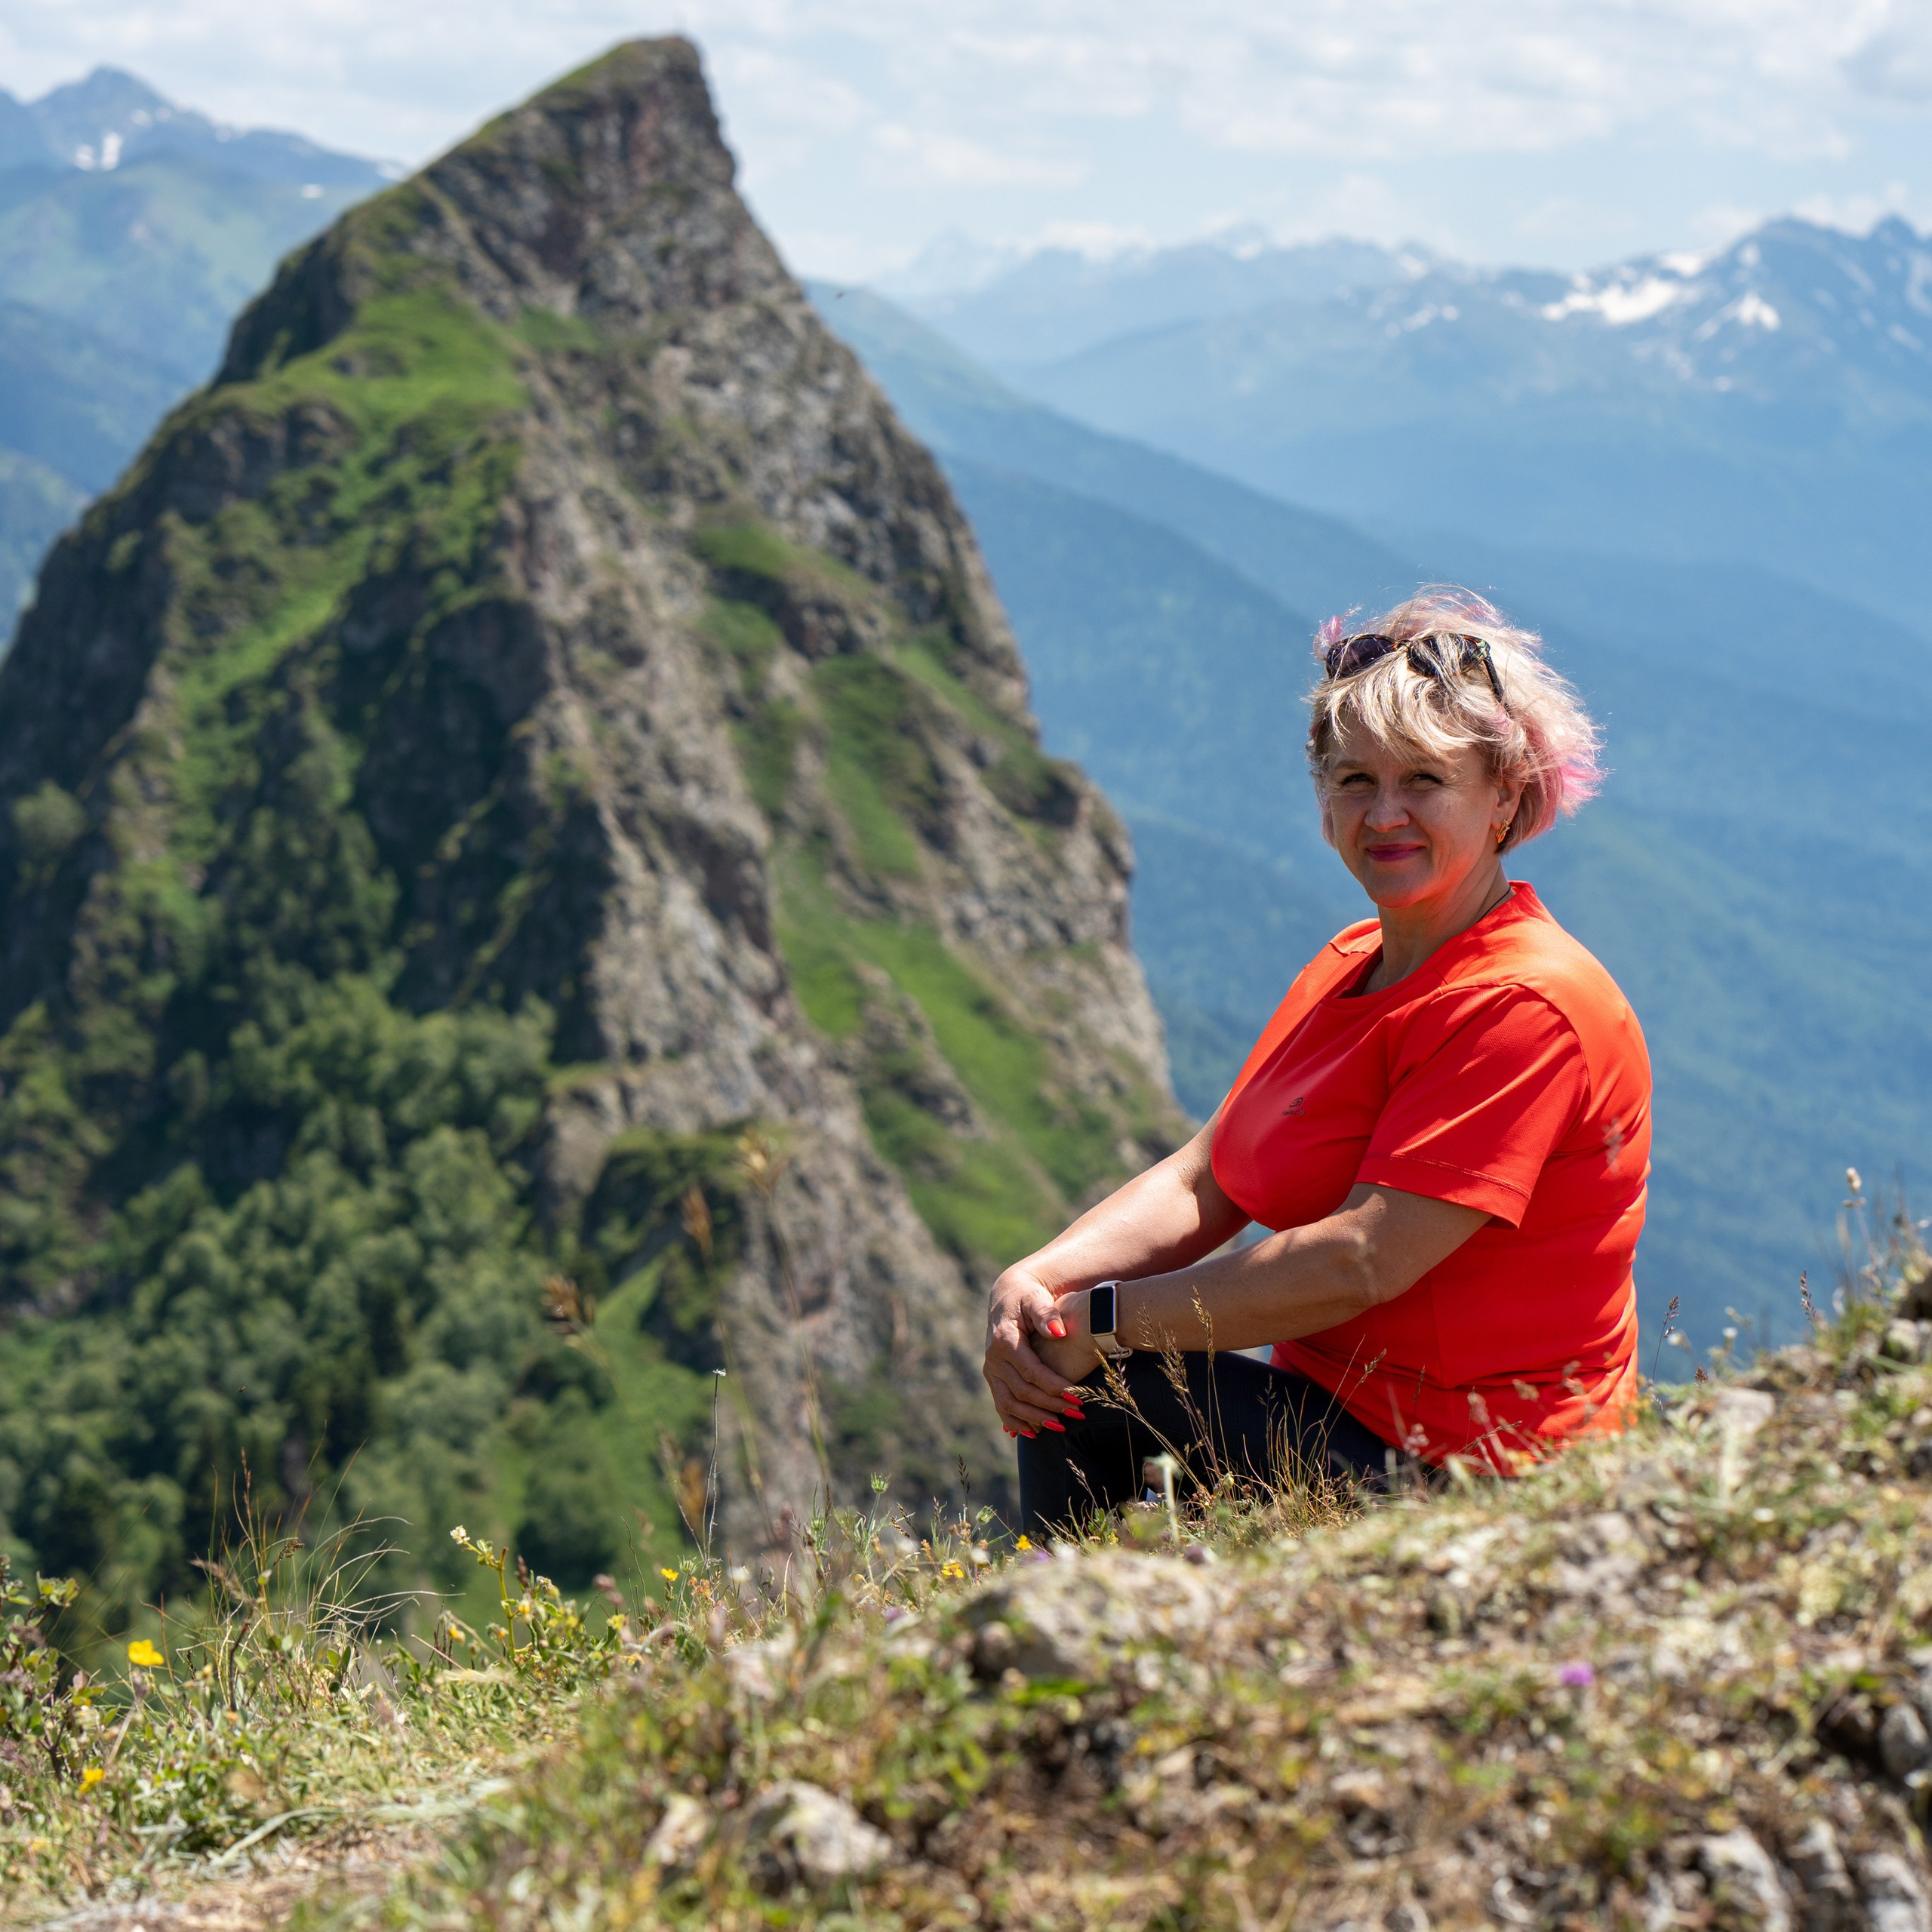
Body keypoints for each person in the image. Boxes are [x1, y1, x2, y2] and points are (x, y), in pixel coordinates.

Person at [983, 587, 1651, 1539]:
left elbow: (1361, 1260)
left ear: (1504, 793)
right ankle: (1080, 1637)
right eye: (1352, 781)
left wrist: (1099, 1322)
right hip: (1342, 1418)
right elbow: (1210, 1174)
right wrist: (1043, 1281)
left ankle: (1055, 1649)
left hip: (1483, 1471)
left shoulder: (1524, 1003)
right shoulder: (1353, 963)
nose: (1384, 814)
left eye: (1424, 780)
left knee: (1099, 1380)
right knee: (1078, 1360)